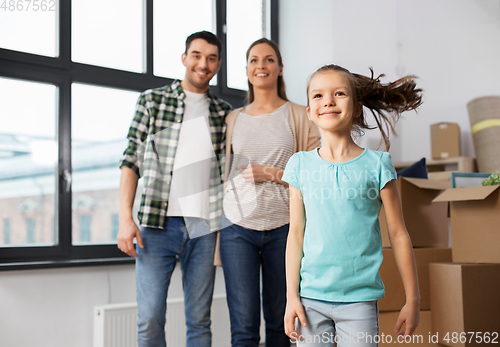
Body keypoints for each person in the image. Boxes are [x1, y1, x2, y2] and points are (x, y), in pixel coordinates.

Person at [282, 64, 422, 346]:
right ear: (309, 111)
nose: (328, 101)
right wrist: (291, 298)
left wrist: (413, 299)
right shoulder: (299, 165)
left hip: (359, 300)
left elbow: (398, 234)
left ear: (357, 107)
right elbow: (296, 233)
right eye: (318, 96)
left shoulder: (378, 165)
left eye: (339, 94)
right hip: (310, 301)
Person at [117, 31, 232, 347]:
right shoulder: (152, 101)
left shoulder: (224, 113)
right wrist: (125, 218)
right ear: (184, 58)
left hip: (204, 227)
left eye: (211, 58)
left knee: (199, 320)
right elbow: (131, 161)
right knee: (150, 319)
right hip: (157, 225)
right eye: (196, 55)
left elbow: (227, 174)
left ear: (218, 64)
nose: (203, 63)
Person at [218, 38, 321, 347]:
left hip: (285, 229)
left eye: (268, 59)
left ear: (279, 69)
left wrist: (271, 173)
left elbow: (315, 173)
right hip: (237, 228)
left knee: (282, 325)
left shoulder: (300, 115)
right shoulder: (232, 119)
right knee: (243, 330)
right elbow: (224, 177)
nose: (260, 65)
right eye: (253, 60)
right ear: (247, 69)